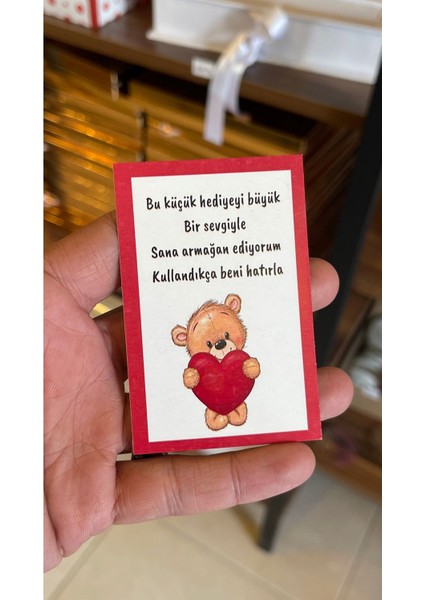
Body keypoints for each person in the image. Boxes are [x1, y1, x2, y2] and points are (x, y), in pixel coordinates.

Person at [44, 211, 353, 572]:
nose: (220, 344)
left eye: (224, 337)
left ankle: (232, 409)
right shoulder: (198, 363)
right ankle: (220, 410)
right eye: (209, 342)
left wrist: (248, 368)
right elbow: (193, 377)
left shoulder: (239, 354)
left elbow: (248, 368)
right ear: (184, 340)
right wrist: (194, 377)